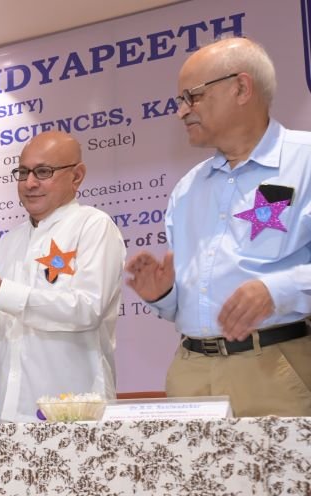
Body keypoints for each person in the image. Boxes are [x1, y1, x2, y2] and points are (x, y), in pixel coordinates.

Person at [125, 37, 311, 416]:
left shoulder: (305, 160)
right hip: (190, 372)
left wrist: (278, 290)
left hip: (275, 367)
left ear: (241, 88)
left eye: (192, 96)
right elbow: (188, 303)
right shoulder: (187, 189)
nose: (182, 112)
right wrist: (163, 295)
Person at [0, 131, 125, 422]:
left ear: (77, 176)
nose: (29, 183)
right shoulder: (7, 243)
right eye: (23, 172)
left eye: (43, 172)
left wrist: (1, 293)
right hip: (10, 413)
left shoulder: (93, 226)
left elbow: (87, 309)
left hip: (75, 411)